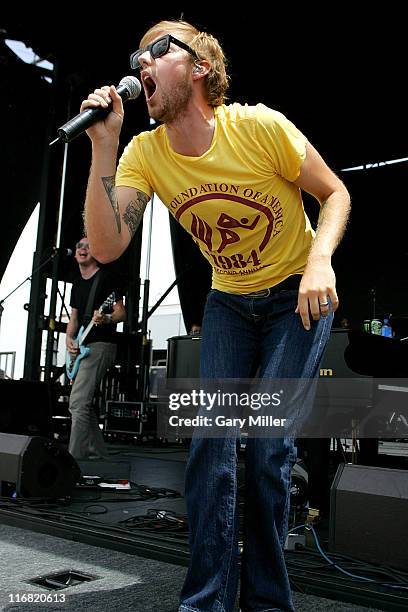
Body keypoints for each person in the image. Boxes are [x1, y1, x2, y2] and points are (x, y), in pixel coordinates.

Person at [80, 19, 350, 612]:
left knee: (268, 446)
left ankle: (267, 602)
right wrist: (103, 144)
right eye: (136, 54)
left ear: (200, 67)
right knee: (211, 441)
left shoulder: (256, 126)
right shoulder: (145, 152)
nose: (140, 62)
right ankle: (204, 601)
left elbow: (334, 192)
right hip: (228, 302)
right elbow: (104, 247)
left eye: (156, 49)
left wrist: (320, 260)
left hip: (294, 297)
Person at [66, 237, 126, 461]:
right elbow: (74, 318)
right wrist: (69, 340)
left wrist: (107, 317)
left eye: (88, 246)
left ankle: (73, 460)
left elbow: (121, 313)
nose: (82, 249)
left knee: (78, 402)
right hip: (83, 345)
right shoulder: (77, 283)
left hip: (101, 345)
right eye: (79, 245)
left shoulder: (106, 278)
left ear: (96, 252)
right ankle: (98, 455)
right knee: (83, 405)